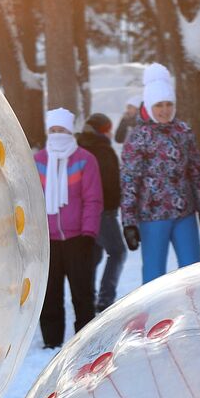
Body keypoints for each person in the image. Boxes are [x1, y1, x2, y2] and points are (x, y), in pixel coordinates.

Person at [119, 65, 200, 284]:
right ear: (149, 106)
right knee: (154, 275)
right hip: (152, 216)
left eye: (169, 104)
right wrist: (129, 222)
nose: (164, 110)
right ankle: (154, 317)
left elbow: (195, 173)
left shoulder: (183, 131)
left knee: (193, 271)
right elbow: (129, 181)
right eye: (159, 105)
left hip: (184, 214)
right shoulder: (139, 137)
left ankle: (193, 313)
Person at [35, 107, 103, 349]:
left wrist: (88, 234)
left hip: (78, 238)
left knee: (82, 293)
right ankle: (51, 341)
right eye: (53, 130)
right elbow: (32, 200)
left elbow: (93, 199)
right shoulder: (38, 161)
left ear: (70, 131)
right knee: (50, 293)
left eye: (62, 130)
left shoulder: (85, 160)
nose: (57, 134)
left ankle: (85, 340)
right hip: (48, 241)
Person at [77, 113, 125, 311]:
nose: (110, 132)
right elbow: (107, 183)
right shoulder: (101, 150)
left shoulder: (81, 145)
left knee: (94, 254)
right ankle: (105, 298)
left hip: (86, 210)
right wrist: (114, 204)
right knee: (117, 252)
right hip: (102, 211)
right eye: (107, 129)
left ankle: (87, 294)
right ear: (101, 130)